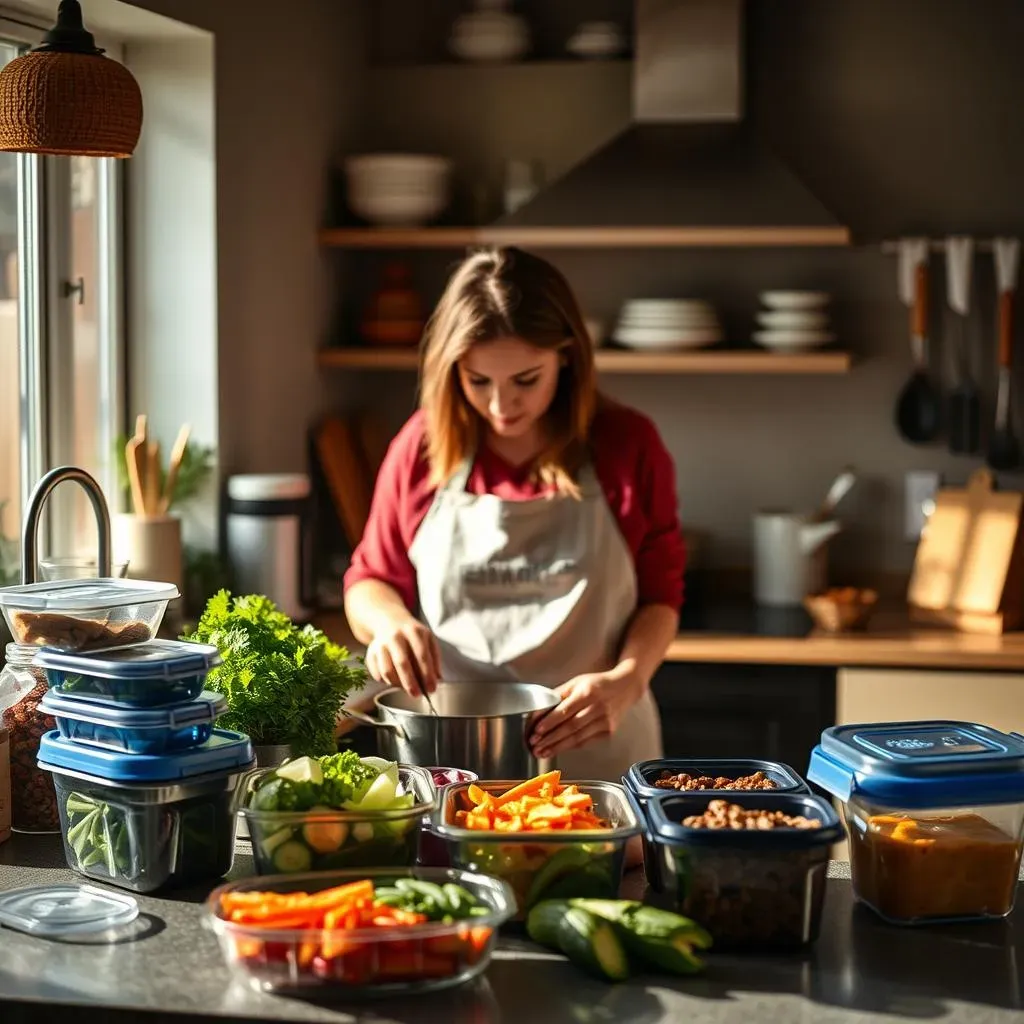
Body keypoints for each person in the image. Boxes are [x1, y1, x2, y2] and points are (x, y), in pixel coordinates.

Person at [343, 247, 685, 782]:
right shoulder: (421, 448)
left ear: (567, 356)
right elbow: (369, 581)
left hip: (597, 758)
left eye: (526, 379)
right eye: (478, 381)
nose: (502, 405)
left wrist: (626, 679)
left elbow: (661, 598)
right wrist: (389, 623)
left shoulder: (627, 445)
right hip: (454, 763)